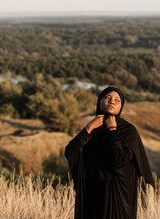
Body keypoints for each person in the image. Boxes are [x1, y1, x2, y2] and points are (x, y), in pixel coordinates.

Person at [65, 86, 155, 219]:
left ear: (121, 106)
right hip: (92, 191)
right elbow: (70, 152)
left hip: (116, 193)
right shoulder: (93, 129)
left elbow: (120, 160)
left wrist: (112, 130)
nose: (112, 102)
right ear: (99, 101)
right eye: (107, 97)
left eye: (117, 100)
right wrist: (88, 128)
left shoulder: (128, 131)